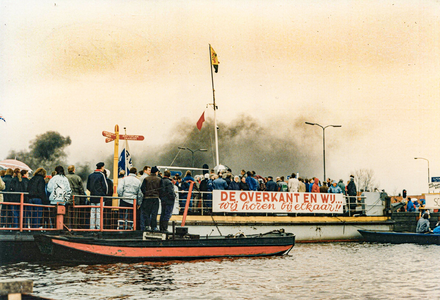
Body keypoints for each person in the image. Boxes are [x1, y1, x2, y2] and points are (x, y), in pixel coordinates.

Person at [87, 162, 108, 229]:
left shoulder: (90, 175)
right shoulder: (102, 175)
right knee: (99, 213)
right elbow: (105, 187)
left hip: (92, 196)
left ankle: (92, 227)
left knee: (92, 213)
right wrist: (103, 194)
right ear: (102, 167)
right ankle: (99, 227)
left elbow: (88, 186)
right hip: (100, 197)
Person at [140, 166, 161, 231]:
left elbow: (142, 188)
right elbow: (162, 189)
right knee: (154, 213)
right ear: (156, 172)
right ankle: (154, 227)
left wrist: (146, 193)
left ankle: (147, 226)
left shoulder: (146, 179)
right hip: (155, 198)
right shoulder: (159, 179)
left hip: (147, 198)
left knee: (147, 213)